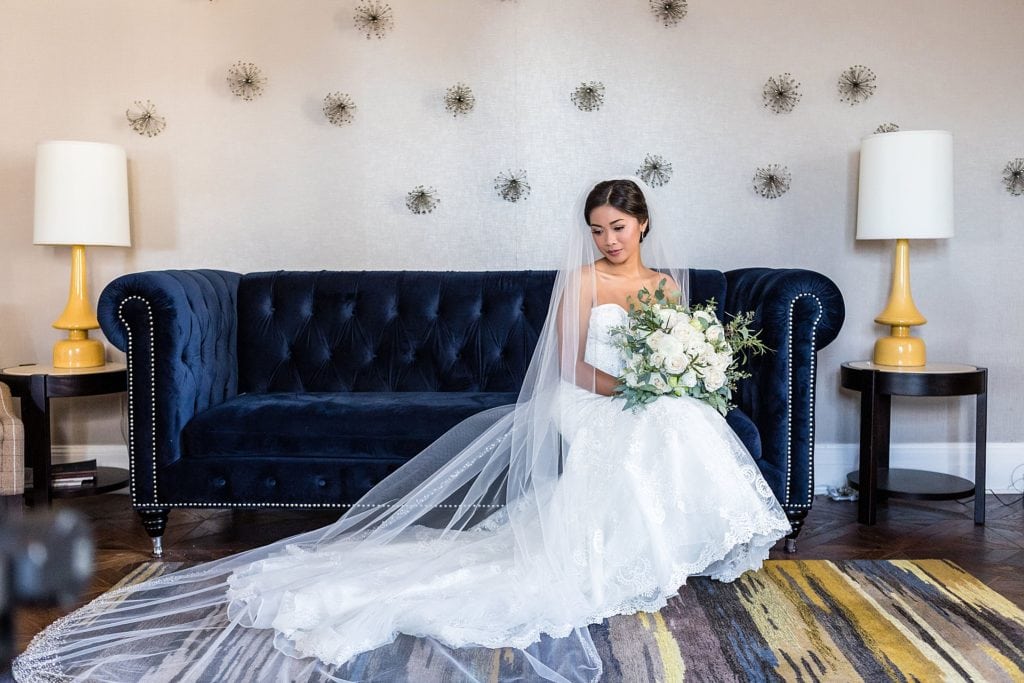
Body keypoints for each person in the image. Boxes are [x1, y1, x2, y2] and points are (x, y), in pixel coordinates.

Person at [14, 178, 791, 682]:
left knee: (685, 418)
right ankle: (613, 554)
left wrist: (673, 379)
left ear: (644, 222)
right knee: (643, 424)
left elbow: (681, 353)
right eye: (596, 229)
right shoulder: (584, 282)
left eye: (618, 227)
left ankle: (664, 551)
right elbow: (576, 369)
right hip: (589, 396)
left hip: (642, 393)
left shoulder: (663, 283)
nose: (607, 241)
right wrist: (633, 388)